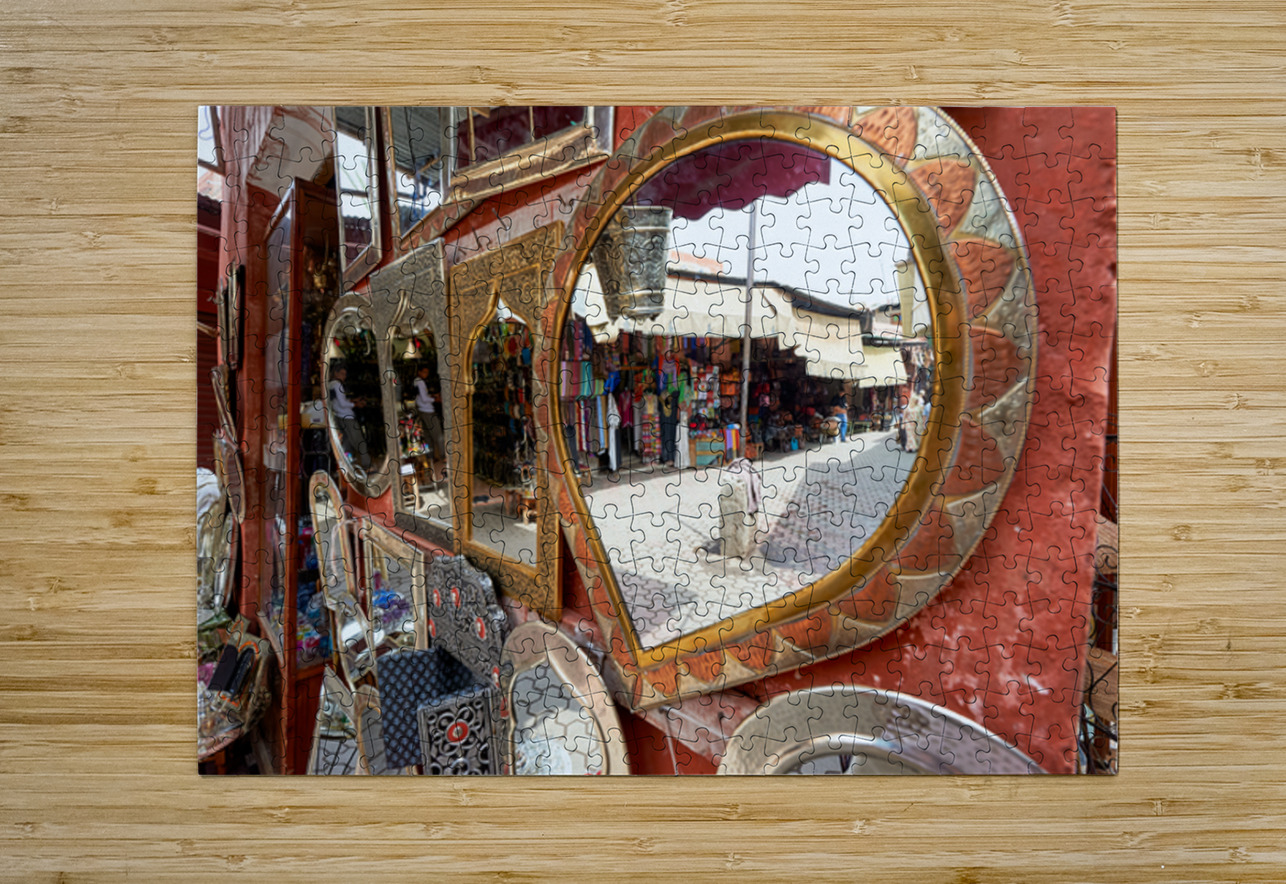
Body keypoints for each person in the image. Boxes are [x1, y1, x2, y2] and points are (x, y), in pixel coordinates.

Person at [329, 364, 371, 470]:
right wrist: (356, 404)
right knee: (359, 442)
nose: (344, 377)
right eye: (342, 374)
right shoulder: (338, 385)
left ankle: (348, 464)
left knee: (347, 442)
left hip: (339, 416)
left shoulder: (330, 385)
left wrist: (354, 400)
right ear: (336, 373)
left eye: (345, 374)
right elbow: (343, 403)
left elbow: (338, 402)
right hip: (347, 417)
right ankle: (367, 465)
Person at [412, 365, 445, 461]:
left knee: (428, 435)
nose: (426, 374)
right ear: (419, 372)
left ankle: (430, 456)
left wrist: (432, 396)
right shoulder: (420, 382)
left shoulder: (416, 381)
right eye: (424, 372)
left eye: (427, 372)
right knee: (438, 435)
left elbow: (422, 396)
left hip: (422, 410)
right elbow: (425, 398)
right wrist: (435, 399)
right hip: (427, 411)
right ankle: (443, 456)